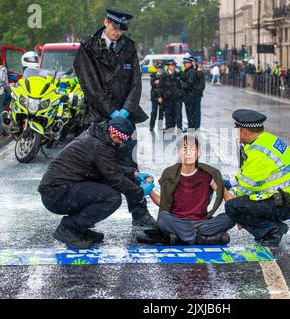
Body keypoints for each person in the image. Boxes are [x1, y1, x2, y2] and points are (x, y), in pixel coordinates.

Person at [73, 8, 155, 227]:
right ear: (106, 22)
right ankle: (84, 217)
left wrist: (126, 110)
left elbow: (136, 83)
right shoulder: (87, 48)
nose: (118, 32)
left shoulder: (128, 46)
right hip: (97, 116)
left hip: (125, 117)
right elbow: (90, 86)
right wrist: (111, 112)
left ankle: (139, 213)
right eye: (115, 27)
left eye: (122, 29)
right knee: (90, 166)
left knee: (129, 163)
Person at [38, 118, 155, 248]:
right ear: (113, 134)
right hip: (56, 193)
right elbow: (114, 177)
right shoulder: (99, 145)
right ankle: (69, 228)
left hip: (60, 189)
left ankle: (79, 230)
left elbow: (107, 167)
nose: (120, 144)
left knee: (104, 191)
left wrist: (134, 173)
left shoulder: (97, 137)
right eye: (120, 140)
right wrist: (140, 192)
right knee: (111, 198)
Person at [224, 109, 290, 247]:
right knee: (240, 204)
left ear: (244, 131)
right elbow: (249, 173)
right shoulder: (268, 140)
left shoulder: (258, 152)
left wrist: (228, 193)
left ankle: (272, 230)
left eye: (237, 130)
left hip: (284, 203)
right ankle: (273, 226)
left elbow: (247, 187)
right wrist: (231, 182)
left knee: (233, 207)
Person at [137, 135, 236, 246]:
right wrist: (149, 190)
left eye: (192, 149)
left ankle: (181, 238)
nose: (188, 153)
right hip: (177, 221)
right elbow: (163, 203)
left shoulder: (208, 174)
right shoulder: (169, 174)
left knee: (231, 216)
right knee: (163, 218)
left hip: (202, 222)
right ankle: (200, 239)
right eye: (184, 149)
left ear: (199, 153)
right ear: (178, 152)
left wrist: (238, 215)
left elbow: (226, 196)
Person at [160, 60, 184, 131]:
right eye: (170, 66)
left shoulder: (178, 74)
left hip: (177, 98)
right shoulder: (164, 75)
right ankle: (169, 128)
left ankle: (179, 128)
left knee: (178, 114)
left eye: (173, 66)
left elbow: (185, 79)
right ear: (168, 67)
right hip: (168, 98)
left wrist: (179, 72)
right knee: (168, 114)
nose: (172, 67)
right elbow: (160, 87)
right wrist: (159, 96)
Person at [180, 57, 197, 130]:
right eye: (184, 63)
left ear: (190, 64)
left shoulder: (191, 72)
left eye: (186, 63)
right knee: (189, 112)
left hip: (190, 95)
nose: (184, 65)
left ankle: (191, 127)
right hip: (187, 95)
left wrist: (181, 84)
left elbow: (189, 84)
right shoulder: (187, 71)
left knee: (190, 113)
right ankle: (191, 126)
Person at [149, 63, 165, 132]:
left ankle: (160, 127)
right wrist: (156, 82)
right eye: (158, 68)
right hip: (154, 96)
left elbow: (163, 84)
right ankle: (151, 126)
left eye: (160, 68)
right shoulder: (153, 75)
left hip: (162, 96)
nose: (159, 69)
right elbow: (152, 83)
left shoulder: (164, 75)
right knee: (154, 112)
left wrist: (158, 82)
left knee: (161, 113)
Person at [193, 59, 206, 129]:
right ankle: (192, 124)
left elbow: (202, 84)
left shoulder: (199, 71)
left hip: (197, 93)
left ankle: (197, 125)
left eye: (193, 61)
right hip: (191, 94)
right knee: (192, 110)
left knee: (197, 109)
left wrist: (198, 90)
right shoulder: (191, 70)